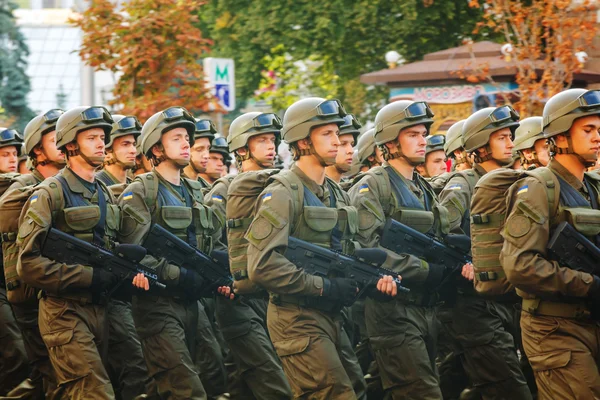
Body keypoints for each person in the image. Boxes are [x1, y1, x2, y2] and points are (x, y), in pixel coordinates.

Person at [246, 97, 398, 399]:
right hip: (295, 318)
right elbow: (262, 265)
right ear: (303, 141)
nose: (338, 140)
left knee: (355, 389)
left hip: (330, 316)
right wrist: (324, 287)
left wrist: (372, 276)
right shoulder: (282, 192)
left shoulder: (334, 194)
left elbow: (344, 253)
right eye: (326, 133)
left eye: (337, 133)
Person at [17, 106, 130, 398]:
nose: (101, 144)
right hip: (63, 313)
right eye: (91, 137)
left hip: (100, 310)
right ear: (70, 144)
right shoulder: (50, 192)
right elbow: (28, 264)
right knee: (95, 393)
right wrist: (88, 276)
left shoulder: (104, 192)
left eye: (103, 137)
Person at [500, 88, 600, 398]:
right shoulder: (537, 188)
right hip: (553, 328)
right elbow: (520, 265)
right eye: (588, 129)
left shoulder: (593, 188)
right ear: (559, 137)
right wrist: (589, 284)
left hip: (591, 318)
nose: (598, 136)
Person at [349, 100, 451, 399]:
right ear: (391, 142)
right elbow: (367, 247)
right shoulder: (373, 185)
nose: (423, 141)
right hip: (392, 310)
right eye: (413, 135)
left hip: (426, 308)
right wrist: (426, 270)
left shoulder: (423, 187)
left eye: (423, 134)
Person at [120, 106, 219, 399]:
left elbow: (209, 241)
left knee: (215, 371)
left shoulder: (195, 190)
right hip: (157, 305)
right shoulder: (141, 190)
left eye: (187, 137)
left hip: (193, 302)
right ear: (156, 148)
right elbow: (132, 253)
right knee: (184, 387)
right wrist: (179, 274)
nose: (187, 143)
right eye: (177, 138)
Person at [438, 106, 532, 399]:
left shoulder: (516, 183)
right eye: (502, 137)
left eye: (510, 136)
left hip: (509, 298)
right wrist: (467, 261)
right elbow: (444, 233)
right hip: (472, 303)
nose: (510, 143)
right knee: (509, 387)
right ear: (481, 145)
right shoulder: (463, 184)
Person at [211, 111, 293, 399]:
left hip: (269, 299)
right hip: (237, 302)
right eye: (261, 140)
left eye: (272, 140)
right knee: (274, 383)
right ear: (242, 148)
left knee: (247, 384)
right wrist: (227, 276)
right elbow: (212, 244)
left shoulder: (278, 187)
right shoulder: (224, 189)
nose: (271, 146)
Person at [0, 109, 65, 398]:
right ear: (37, 148)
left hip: (60, 293)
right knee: (45, 371)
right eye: (56, 138)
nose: (65, 144)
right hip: (29, 297)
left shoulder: (72, 185)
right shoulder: (23, 188)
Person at [0, 127, 30, 396]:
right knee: (15, 350)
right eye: (4, 154)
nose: (11, 159)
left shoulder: (23, 189)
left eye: (13, 154)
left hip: (17, 282)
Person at [182, 118, 216, 189]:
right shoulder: (173, 187)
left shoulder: (208, 189)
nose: (207, 156)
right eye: (199, 149)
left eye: (208, 148)